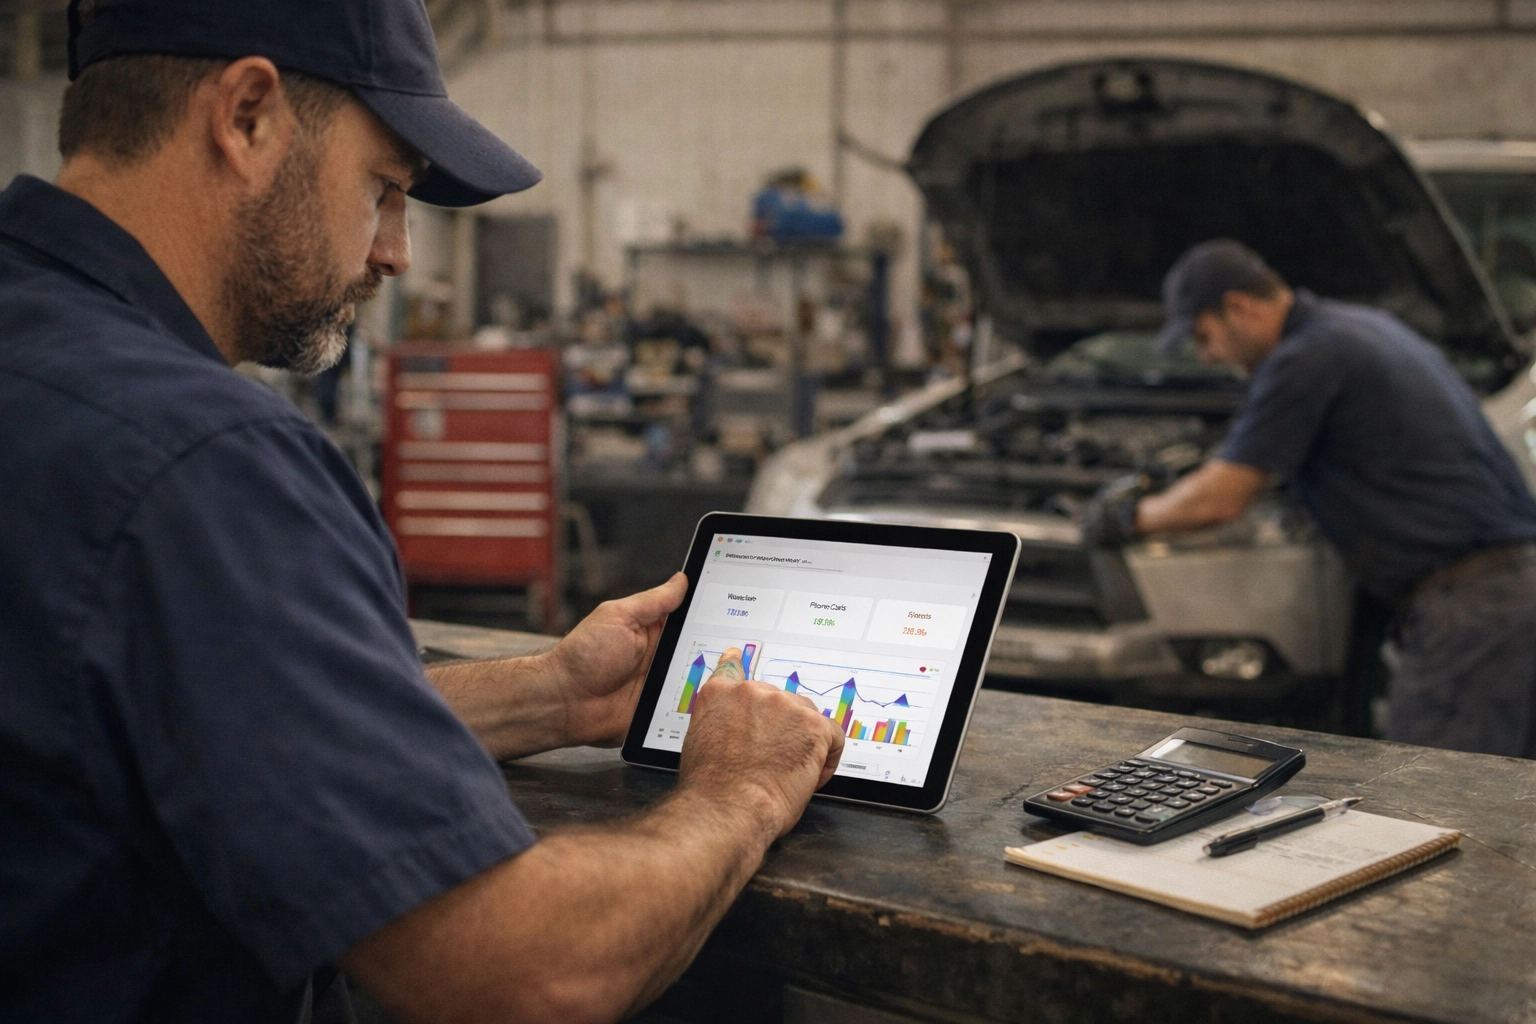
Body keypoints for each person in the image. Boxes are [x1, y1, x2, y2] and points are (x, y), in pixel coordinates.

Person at [0, 2, 845, 1022]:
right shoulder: (207, 460)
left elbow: (202, 718)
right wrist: (742, 789)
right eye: (385, 188)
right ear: (250, 117)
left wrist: (554, 697)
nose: (396, 251)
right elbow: (522, 971)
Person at [1084, 239, 1536, 759]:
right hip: (1502, 592)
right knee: (1502, 793)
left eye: (1204, 337)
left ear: (1238, 307)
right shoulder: (1358, 327)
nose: (1208, 356)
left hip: (1470, 611)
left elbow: (1220, 500)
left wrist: (1127, 516)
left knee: (1438, 794)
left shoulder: (1305, 360)